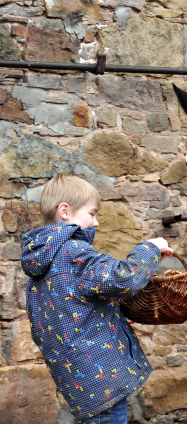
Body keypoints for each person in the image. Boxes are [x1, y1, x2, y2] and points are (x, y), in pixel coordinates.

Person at [21, 174, 174, 423]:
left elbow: (68, 314)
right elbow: (126, 278)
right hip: (101, 379)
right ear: (65, 211)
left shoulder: (42, 265)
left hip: (82, 381)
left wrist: (109, 318)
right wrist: (150, 247)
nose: (97, 222)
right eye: (92, 214)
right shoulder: (74, 252)